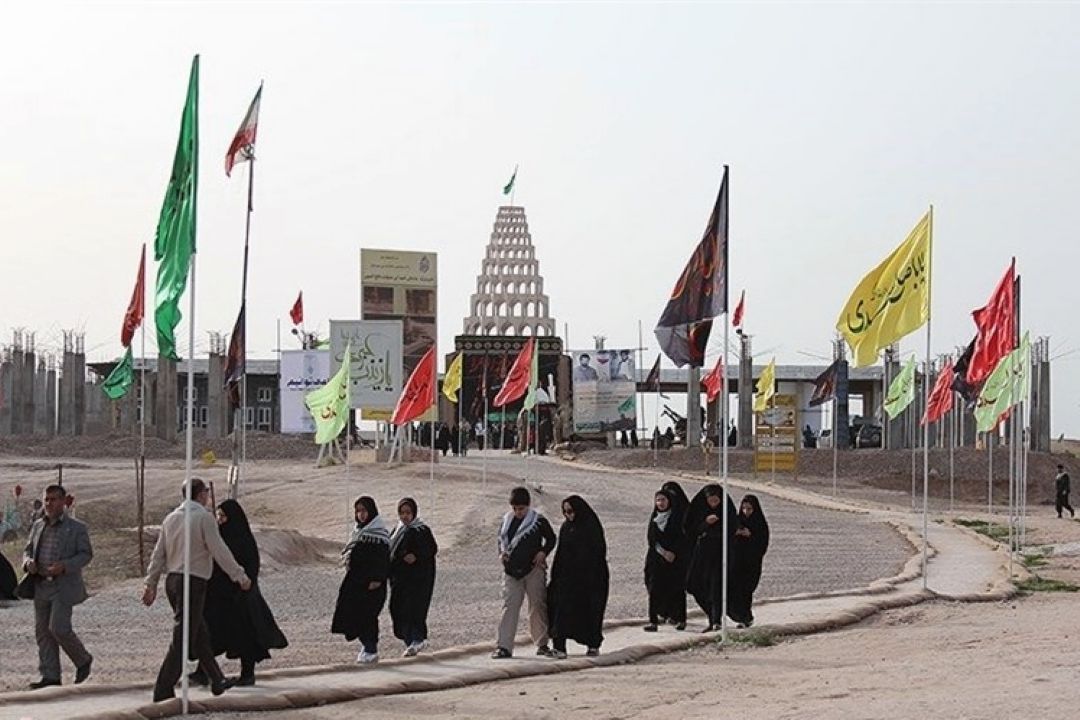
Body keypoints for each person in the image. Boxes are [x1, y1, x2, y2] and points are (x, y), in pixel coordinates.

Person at [142, 479, 251, 702]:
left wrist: (150, 583)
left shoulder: (171, 518)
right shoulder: (204, 517)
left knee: (199, 632)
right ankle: (163, 687)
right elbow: (219, 550)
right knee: (183, 637)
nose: (208, 497)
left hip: (172, 580)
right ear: (201, 494)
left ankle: (216, 678)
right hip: (192, 581)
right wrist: (239, 575)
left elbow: (158, 553)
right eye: (206, 493)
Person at [197, 500, 287, 687]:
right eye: (218, 516)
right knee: (212, 633)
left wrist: (243, 583)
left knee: (246, 637)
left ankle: (247, 674)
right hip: (220, 596)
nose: (220, 520)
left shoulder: (244, 539)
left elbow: (251, 566)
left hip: (241, 596)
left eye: (223, 516)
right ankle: (202, 672)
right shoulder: (218, 538)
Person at [21, 485, 93, 690]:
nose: (49, 504)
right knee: (43, 631)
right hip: (40, 584)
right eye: (46, 500)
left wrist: (65, 566)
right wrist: (27, 563)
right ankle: (50, 676)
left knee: (59, 628)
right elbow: (27, 550)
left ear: (63, 502)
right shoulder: (37, 526)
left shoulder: (77, 528)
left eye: (53, 500)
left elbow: (86, 554)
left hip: (63, 586)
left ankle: (83, 660)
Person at [491, 486, 557, 659]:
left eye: (521, 508)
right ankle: (504, 646)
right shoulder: (506, 521)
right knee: (510, 606)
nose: (518, 512)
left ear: (528, 505)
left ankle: (542, 643)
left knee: (537, 605)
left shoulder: (538, 521)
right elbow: (501, 540)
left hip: (533, 569)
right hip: (511, 571)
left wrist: (543, 552)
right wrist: (501, 553)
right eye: (515, 508)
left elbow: (551, 538)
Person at [548, 496, 609, 658]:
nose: (568, 515)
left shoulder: (591, 527)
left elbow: (597, 553)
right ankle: (559, 648)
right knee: (559, 609)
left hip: (590, 579)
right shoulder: (566, 528)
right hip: (567, 579)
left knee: (590, 611)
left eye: (571, 511)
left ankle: (593, 645)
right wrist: (556, 576)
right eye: (565, 512)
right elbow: (560, 553)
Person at [332, 496, 390, 664]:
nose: (361, 515)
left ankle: (371, 649)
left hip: (372, 584)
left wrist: (377, 579)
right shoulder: (358, 532)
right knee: (354, 614)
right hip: (356, 583)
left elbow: (383, 559)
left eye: (364, 511)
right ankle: (366, 647)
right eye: (358, 511)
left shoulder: (379, 534)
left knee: (368, 616)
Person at [388, 497, 439, 657]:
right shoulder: (397, 530)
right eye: (402, 513)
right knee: (397, 609)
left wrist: (416, 556)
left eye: (408, 513)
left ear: (414, 513)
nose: (405, 516)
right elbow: (391, 551)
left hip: (417, 581)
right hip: (399, 580)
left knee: (413, 610)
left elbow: (431, 549)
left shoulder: (421, 530)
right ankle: (411, 642)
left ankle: (417, 640)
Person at [684, 483, 739, 631]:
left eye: (716, 501)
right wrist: (705, 523)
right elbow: (689, 529)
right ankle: (712, 614)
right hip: (702, 552)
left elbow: (733, 528)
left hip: (721, 552)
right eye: (711, 501)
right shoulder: (699, 509)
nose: (713, 504)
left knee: (716, 586)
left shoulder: (727, 510)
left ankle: (715, 621)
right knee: (692, 584)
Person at [643, 487, 688, 632]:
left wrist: (673, 552)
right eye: (658, 500)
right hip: (656, 559)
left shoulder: (676, 517)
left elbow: (681, 537)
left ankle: (680, 619)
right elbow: (651, 538)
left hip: (674, 560)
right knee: (654, 588)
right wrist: (663, 552)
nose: (660, 503)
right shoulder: (654, 517)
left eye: (663, 500)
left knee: (676, 588)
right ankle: (653, 621)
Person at [729, 494, 770, 628]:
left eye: (749, 509)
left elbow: (762, 544)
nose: (746, 512)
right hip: (736, 563)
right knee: (734, 590)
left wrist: (751, 536)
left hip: (751, 565)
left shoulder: (760, 524)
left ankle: (746, 618)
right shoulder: (737, 521)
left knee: (746, 591)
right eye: (744, 508)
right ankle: (740, 616)